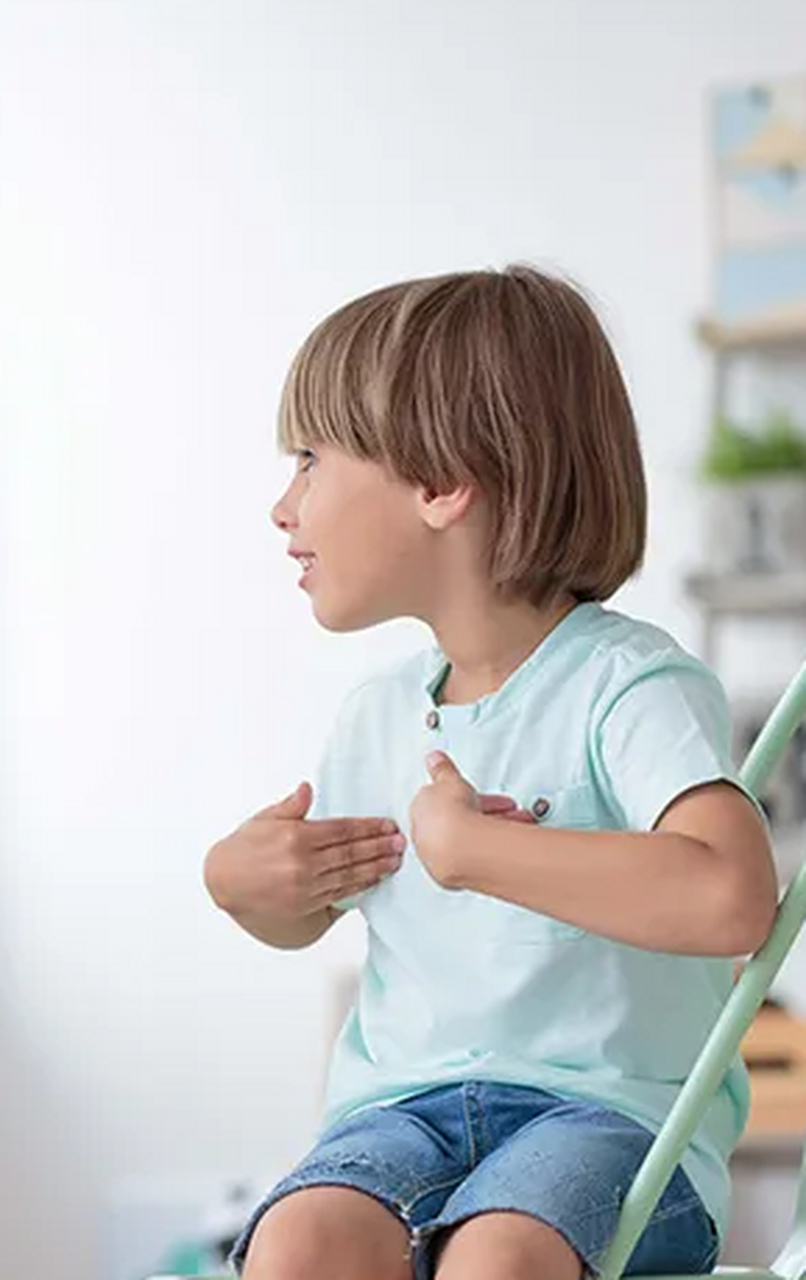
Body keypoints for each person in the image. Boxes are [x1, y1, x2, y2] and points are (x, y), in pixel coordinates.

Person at [203, 265, 777, 1280]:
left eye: (309, 459)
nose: (281, 505)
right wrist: (251, 885)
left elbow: (730, 897)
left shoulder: (626, 684)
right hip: (400, 1114)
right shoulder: (377, 710)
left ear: (438, 483)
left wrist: (484, 850)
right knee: (295, 1244)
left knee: (498, 1255)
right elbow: (310, 910)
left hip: (609, 1121)